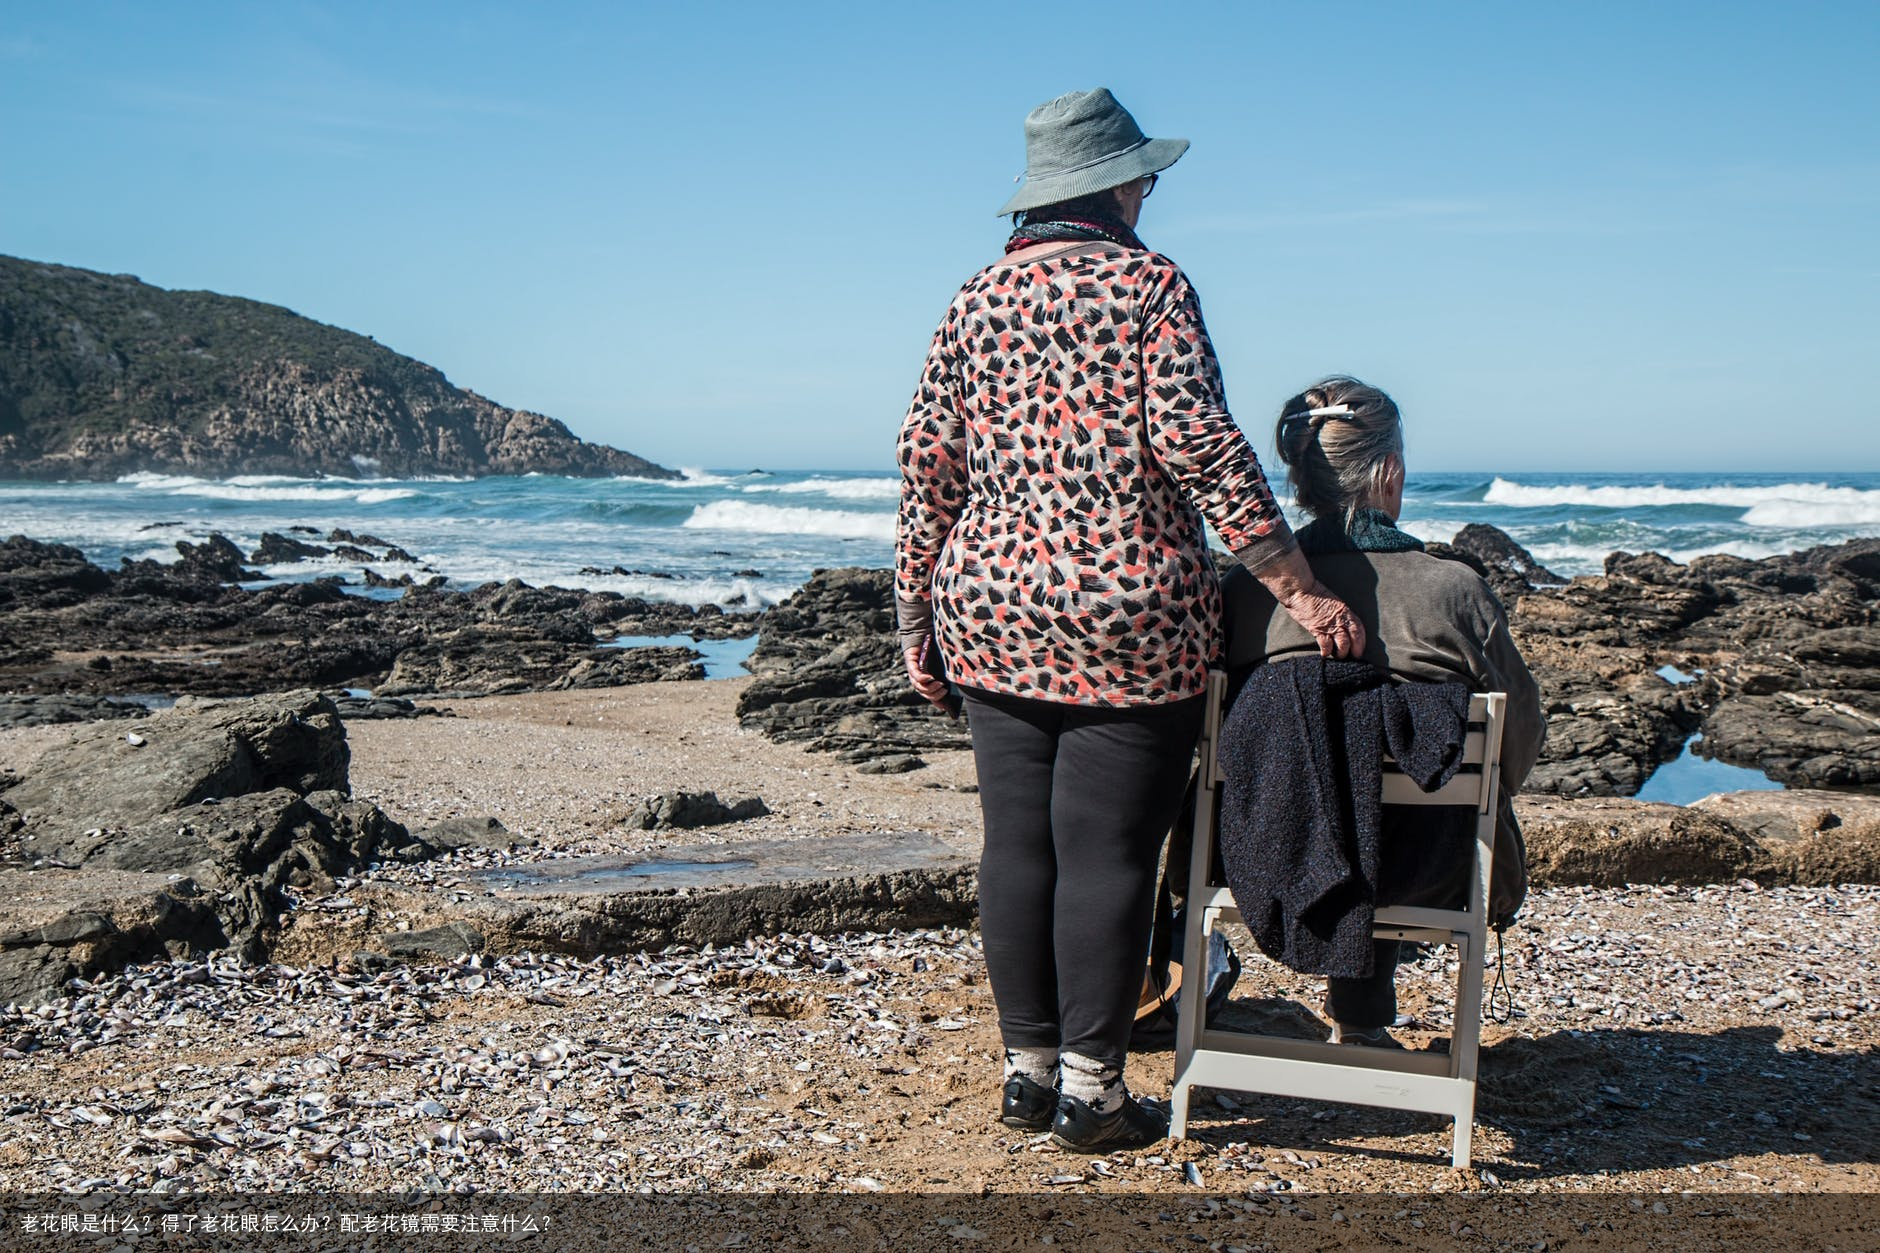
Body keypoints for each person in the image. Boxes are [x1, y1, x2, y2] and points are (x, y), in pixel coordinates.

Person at [894, 88, 1367, 1151]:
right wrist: (1295, 584)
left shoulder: (974, 297)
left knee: (1015, 845)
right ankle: (1091, 1092)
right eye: (1141, 175)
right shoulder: (1149, 285)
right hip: (1130, 612)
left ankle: (1024, 1074)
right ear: (1109, 184)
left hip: (991, 601)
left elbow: (926, 465)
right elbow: (1201, 445)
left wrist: (914, 614)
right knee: (1106, 851)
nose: (1148, 189)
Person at [1218, 376, 1544, 1047]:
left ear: (1303, 480)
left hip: (1261, 857)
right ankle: (1364, 1021)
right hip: (1427, 866)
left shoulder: (1245, 593)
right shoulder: (1454, 591)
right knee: (1393, 792)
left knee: (1326, 768)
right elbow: (1519, 738)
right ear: (1389, 471)